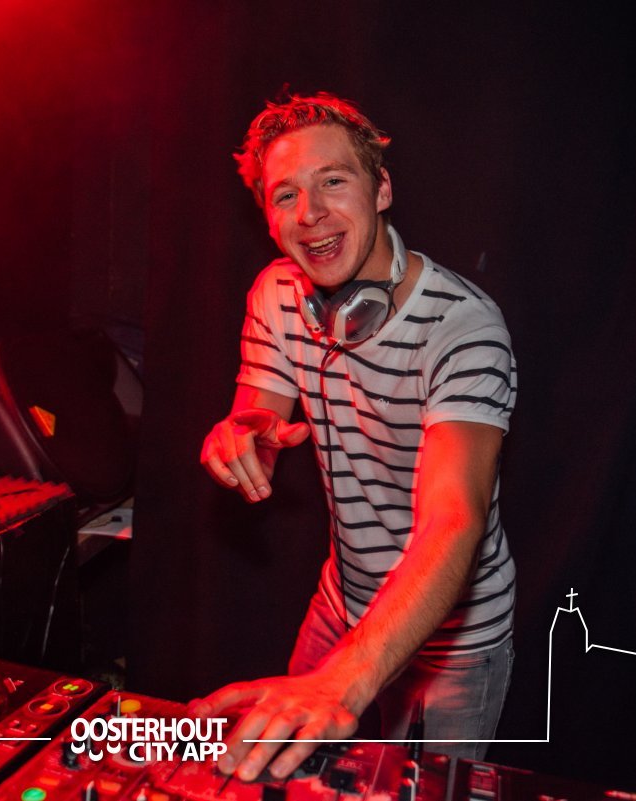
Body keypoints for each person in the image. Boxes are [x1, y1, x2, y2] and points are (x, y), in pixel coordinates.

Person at [193, 92, 517, 782]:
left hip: (454, 644)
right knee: (281, 774)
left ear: (382, 190)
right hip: (340, 604)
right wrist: (245, 433)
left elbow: (453, 520)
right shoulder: (276, 295)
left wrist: (346, 679)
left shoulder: (464, 328)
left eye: (333, 181)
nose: (309, 213)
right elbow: (259, 409)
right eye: (286, 195)